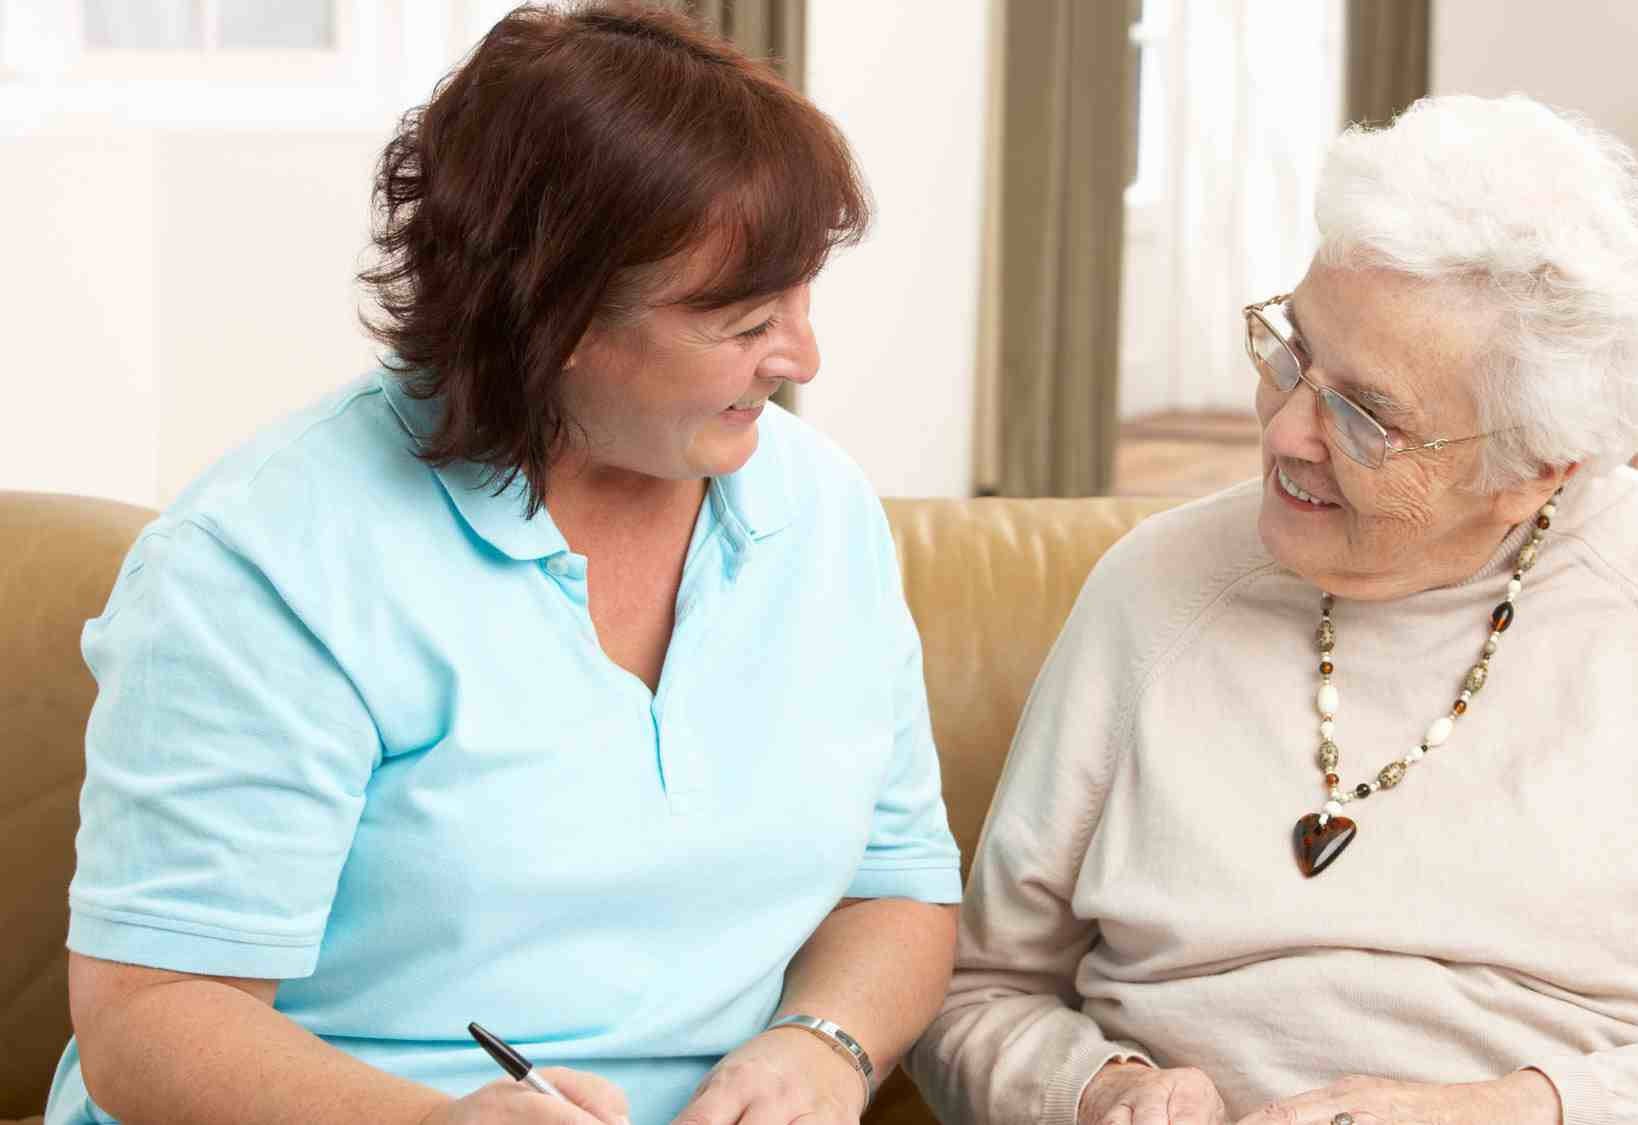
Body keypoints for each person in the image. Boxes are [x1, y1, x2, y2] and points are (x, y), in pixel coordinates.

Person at [908, 95, 1638, 1125]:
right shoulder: (1154, 589)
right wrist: (1099, 1092)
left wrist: (1515, 1110)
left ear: (1535, 467)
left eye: (1366, 416)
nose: (1286, 432)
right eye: (1290, 355)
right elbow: (972, 994)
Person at [49, 5, 960, 1124]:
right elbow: (150, 1015)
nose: (802, 354)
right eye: (741, 318)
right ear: (555, 313)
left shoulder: (817, 513)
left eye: (801, 295)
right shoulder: (266, 562)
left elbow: (897, 887)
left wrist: (823, 1044)